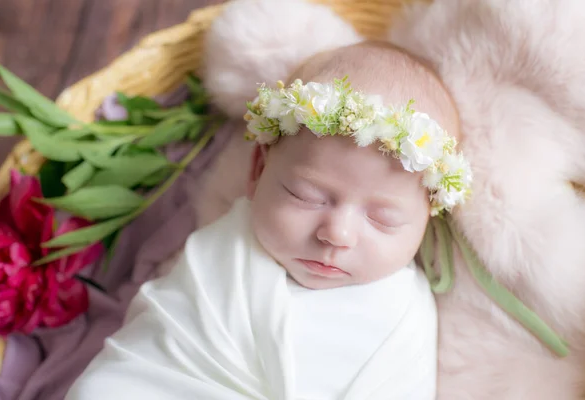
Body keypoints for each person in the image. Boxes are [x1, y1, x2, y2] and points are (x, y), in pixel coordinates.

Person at [65, 41, 470, 400]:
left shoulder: (403, 319)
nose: (337, 234)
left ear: (427, 219)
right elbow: (149, 360)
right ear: (258, 169)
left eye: (383, 219)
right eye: (305, 196)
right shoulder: (220, 256)